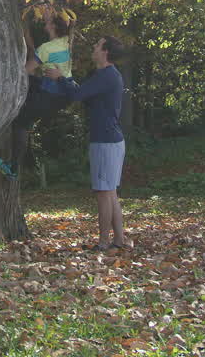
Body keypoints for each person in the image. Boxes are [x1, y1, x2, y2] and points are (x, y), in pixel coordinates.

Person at [46, 36, 130, 250]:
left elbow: (76, 95)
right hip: (110, 140)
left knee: (103, 193)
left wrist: (59, 78)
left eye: (97, 45)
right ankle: (118, 240)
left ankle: (103, 243)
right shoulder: (105, 75)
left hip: (105, 142)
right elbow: (85, 95)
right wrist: (66, 80)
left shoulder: (107, 75)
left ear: (105, 52)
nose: (94, 47)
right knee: (110, 192)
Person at [0, 11, 72, 179]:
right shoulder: (64, 43)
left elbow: (26, 69)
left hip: (51, 95)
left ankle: (13, 168)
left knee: (21, 121)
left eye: (49, 21)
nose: (45, 21)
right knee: (32, 83)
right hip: (64, 93)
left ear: (53, 26)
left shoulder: (47, 48)